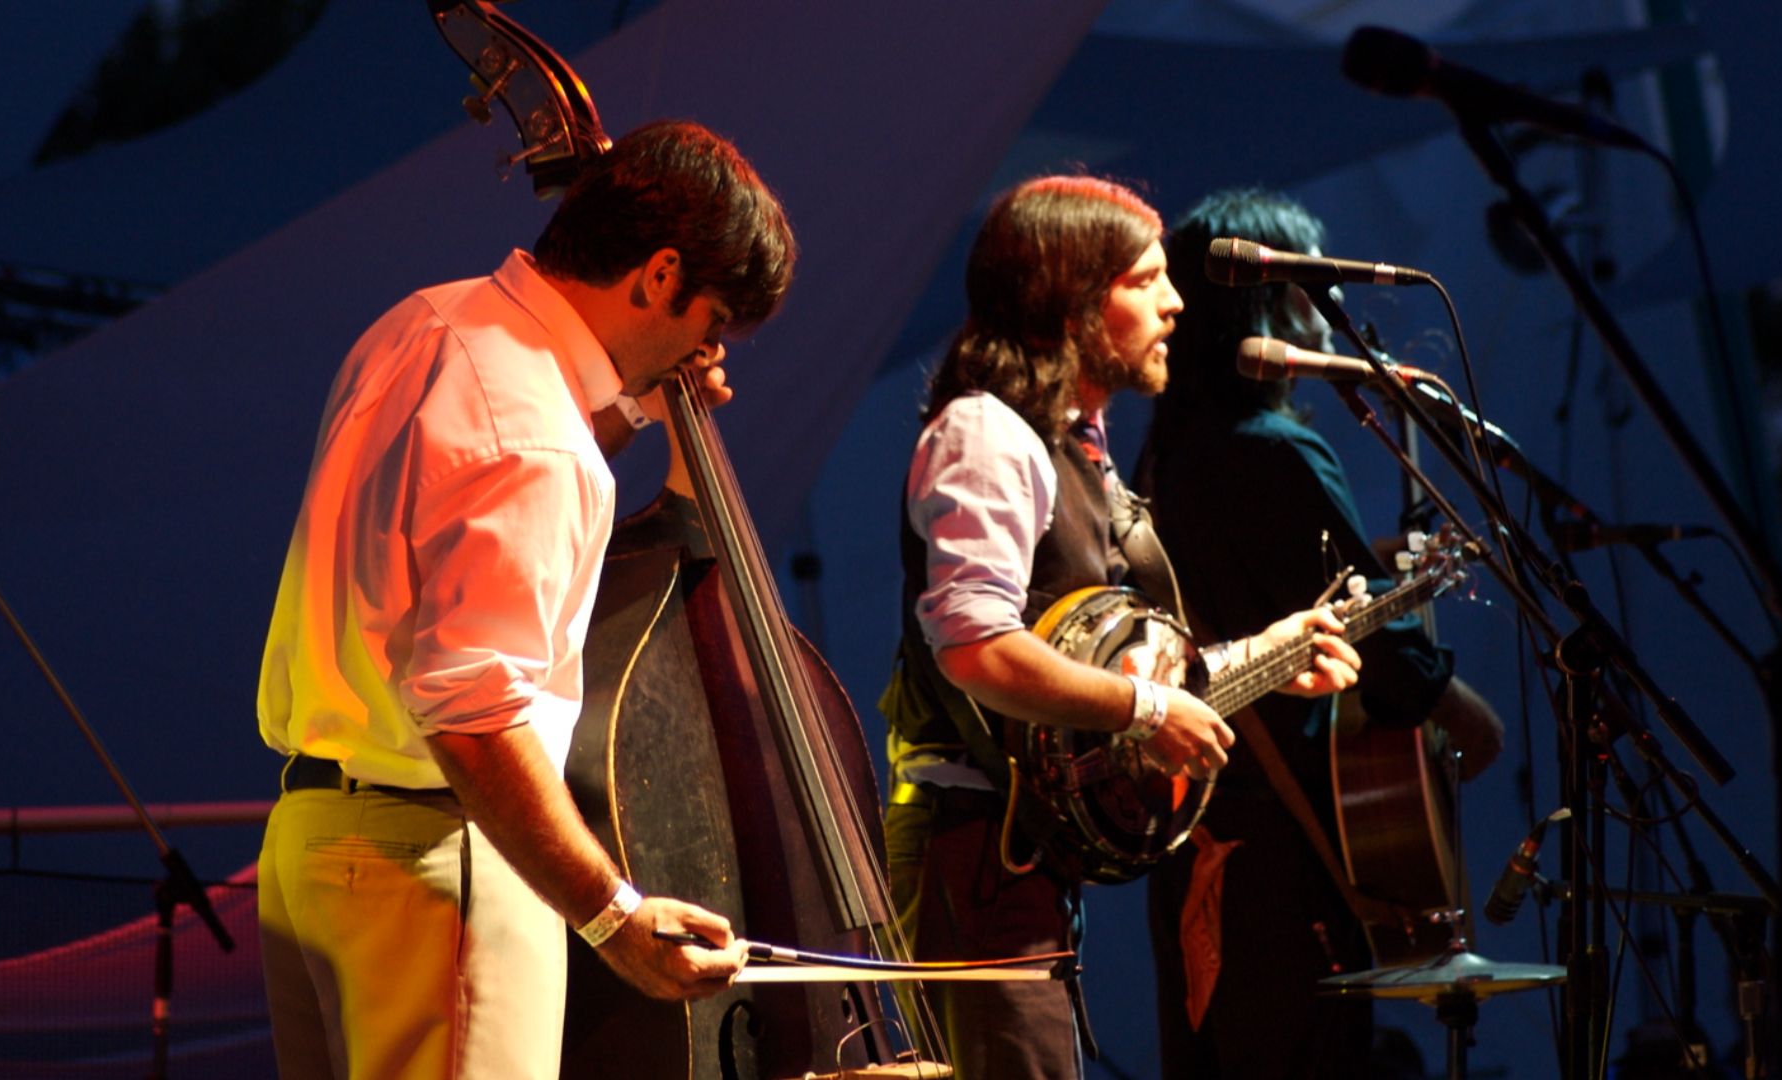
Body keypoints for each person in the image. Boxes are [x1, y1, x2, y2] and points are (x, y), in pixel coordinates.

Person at [254, 119, 795, 1080]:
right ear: (661, 275)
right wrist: (613, 914)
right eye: (710, 323)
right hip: (435, 865)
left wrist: (633, 410)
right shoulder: (536, 437)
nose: (702, 353)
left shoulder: (424, 322)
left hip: (310, 845)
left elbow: (496, 489)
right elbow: (471, 713)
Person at [877, 175, 1363, 1079]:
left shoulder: (1079, 451)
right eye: (1145, 282)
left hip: (1020, 862)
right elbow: (978, 648)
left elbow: (1099, 667)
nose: (1175, 303)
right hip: (972, 850)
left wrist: (1269, 657)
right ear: (1070, 298)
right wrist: (1147, 710)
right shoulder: (988, 435)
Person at [1137, 188, 1504, 1079]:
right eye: (1308, 289)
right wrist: (1463, 715)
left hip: (1196, 854)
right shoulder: (1278, 450)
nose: (1325, 314)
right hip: (1288, 864)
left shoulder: (1166, 454)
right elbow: (1386, 656)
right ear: (1265, 306)